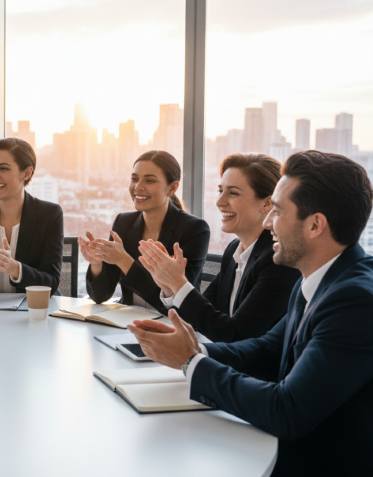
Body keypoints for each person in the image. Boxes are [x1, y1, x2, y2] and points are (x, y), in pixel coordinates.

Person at [128, 150, 373, 476]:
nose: (268, 222)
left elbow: (287, 410)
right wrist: (194, 351)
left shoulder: (355, 301)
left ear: (315, 224)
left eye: (278, 211)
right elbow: (267, 350)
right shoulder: (318, 278)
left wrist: (191, 362)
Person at [138, 153, 300, 342]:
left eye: (233, 193)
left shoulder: (278, 259)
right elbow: (204, 317)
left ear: (266, 203)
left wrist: (178, 283)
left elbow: (234, 335)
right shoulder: (234, 250)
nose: (219, 202)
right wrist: (169, 288)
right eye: (220, 191)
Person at [80, 150, 210, 312]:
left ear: (172, 188)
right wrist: (96, 264)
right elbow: (100, 296)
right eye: (134, 179)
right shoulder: (123, 222)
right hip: (127, 320)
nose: (138, 187)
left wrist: (124, 260)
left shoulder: (195, 230)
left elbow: (174, 301)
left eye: (150, 180)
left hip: (171, 322)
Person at [0, 137, 63, 295]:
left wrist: (16, 269)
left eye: (3, 168)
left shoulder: (49, 215)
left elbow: (51, 282)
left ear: (26, 173)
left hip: (31, 308)